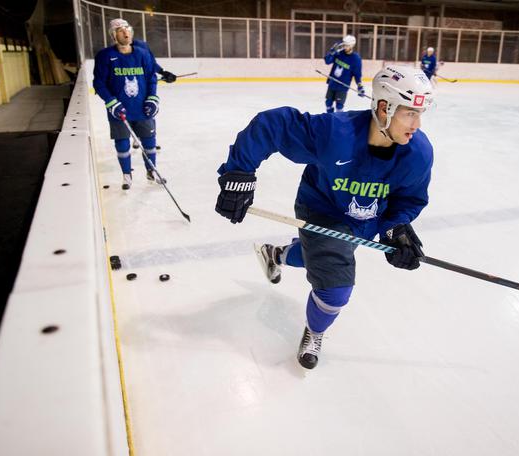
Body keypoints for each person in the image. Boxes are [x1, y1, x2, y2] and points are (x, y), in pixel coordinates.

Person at [214, 65, 434, 369]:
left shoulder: (419, 153)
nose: (417, 124)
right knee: (335, 287)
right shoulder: (336, 134)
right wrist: (239, 172)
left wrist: (395, 226)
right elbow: (274, 125)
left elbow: (409, 198)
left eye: (420, 115)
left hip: (363, 222)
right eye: (410, 114)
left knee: (317, 257)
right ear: (385, 107)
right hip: (321, 208)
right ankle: (315, 331)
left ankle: (276, 254)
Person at [93, 18, 164, 190]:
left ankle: (151, 170)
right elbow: (99, 83)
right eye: (120, 30)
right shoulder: (105, 56)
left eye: (127, 29)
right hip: (119, 110)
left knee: (149, 141)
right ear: (113, 35)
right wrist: (111, 102)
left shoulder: (142, 53)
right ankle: (126, 174)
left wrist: (152, 99)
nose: (126, 32)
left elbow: (151, 78)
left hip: (142, 109)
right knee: (122, 143)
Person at [107, 19, 178, 84]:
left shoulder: (140, 46)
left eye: (127, 30)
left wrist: (163, 73)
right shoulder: (109, 53)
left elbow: (150, 63)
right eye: (120, 31)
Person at [323, 34, 365, 113]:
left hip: (343, 86)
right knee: (328, 103)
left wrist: (360, 86)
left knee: (339, 106)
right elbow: (327, 61)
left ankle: (338, 122)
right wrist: (331, 52)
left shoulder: (355, 59)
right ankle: (329, 120)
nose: (344, 46)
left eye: (346, 45)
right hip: (332, 83)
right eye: (344, 44)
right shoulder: (339, 53)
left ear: (351, 45)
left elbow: (357, 74)